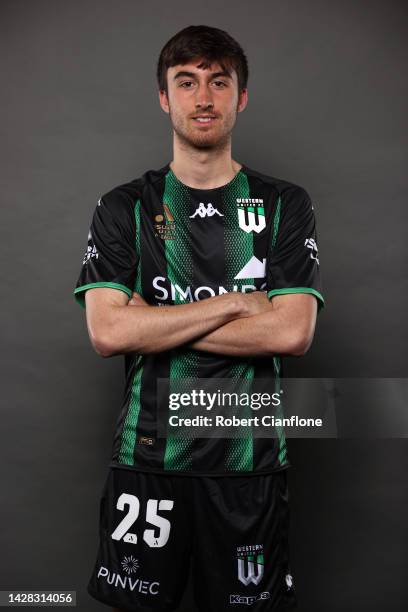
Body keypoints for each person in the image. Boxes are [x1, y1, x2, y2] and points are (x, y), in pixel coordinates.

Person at [74, 24, 324, 612]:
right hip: (148, 459)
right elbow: (108, 331)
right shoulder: (125, 207)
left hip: (249, 463)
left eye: (218, 82)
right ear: (164, 97)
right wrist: (238, 301)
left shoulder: (285, 204)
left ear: (241, 96)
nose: (203, 98)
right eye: (185, 83)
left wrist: (154, 317)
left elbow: (292, 331)